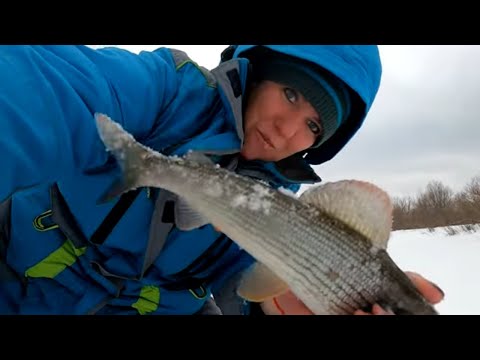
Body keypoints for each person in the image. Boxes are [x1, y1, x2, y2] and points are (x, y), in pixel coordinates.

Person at [0, 45, 444, 315]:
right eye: (290, 95)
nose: (288, 130)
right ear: (261, 73)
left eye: (313, 127)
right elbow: (43, 90)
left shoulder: (278, 206)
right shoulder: (168, 92)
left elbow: (240, 289)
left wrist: (271, 308)